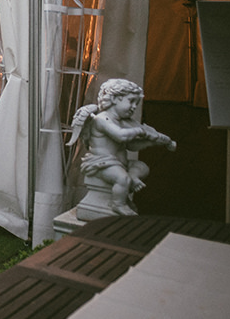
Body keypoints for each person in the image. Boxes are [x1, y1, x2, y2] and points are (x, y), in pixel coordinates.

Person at [68, 79, 175, 216]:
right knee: (122, 179)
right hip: (101, 163)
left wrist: (151, 142)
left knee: (142, 167)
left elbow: (131, 145)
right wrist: (141, 131)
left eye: (136, 104)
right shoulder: (102, 119)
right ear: (114, 98)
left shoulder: (124, 122)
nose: (134, 107)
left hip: (119, 163)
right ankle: (118, 203)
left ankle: (131, 179)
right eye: (131, 101)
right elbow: (121, 136)